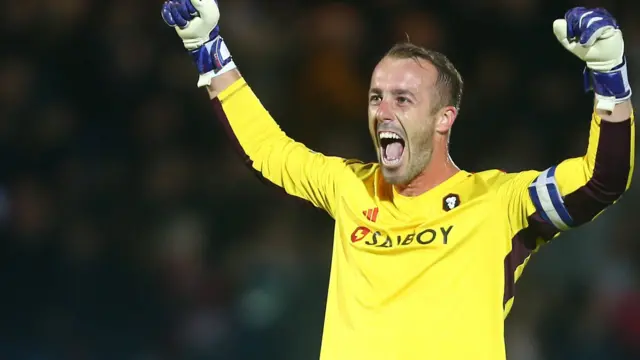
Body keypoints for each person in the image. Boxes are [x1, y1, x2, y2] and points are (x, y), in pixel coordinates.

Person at [161, 2, 635, 359]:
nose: (382, 111)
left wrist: (609, 75)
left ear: (444, 118)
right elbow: (267, 151)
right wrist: (208, 49)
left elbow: (602, 179)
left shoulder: (498, 202)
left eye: (402, 99)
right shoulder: (351, 186)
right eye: (375, 97)